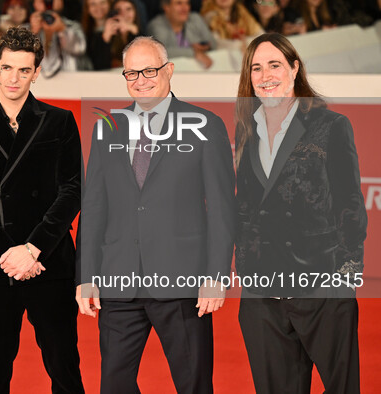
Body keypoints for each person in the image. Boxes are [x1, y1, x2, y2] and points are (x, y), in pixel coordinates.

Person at [77, 36, 236, 393]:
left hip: (182, 283)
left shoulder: (205, 126)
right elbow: (94, 206)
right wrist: (86, 274)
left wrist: (216, 276)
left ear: (169, 70)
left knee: (193, 383)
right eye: (131, 72)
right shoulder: (108, 128)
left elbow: (223, 207)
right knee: (113, 385)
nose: (141, 80)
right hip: (119, 282)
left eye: (149, 70)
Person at [0, 27, 85, 394]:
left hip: (49, 261)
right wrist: (7, 254)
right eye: (7, 68)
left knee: (65, 369)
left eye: (24, 70)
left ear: (36, 72)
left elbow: (73, 190)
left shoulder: (60, 121)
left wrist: (33, 248)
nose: (14, 78)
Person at [234, 32, 367, 393]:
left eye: (274, 64)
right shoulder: (247, 131)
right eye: (256, 68)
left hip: (322, 288)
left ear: (294, 68)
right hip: (263, 296)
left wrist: (346, 274)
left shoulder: (331, 125)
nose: (265, 75)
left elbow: (350, 205)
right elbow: (244, 208)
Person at [147, 0, 216, 69]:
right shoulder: (156, 25)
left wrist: (206, 47)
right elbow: (161, 52)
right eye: (179, 3)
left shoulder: (195, 18)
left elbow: (213, 43)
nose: (185, 8)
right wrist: (194, 52)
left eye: (187, 3)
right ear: (166, 7)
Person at [27, 0, 87, 76]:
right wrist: (32, 32)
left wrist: (62, 29)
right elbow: (18, 57)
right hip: (37, 82)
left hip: (70, 81)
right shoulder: (26, 29)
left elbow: (79, 48)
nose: (48, 4)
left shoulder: (72, 26)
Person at [87, 0, 141, 70]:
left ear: (135, 12)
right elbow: (99, 67)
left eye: (128, 9)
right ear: (112, 13)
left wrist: (134, 30)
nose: (123, 13)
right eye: (118, 10)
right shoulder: (100, 36)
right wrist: (106, 37)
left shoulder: (139, 34)